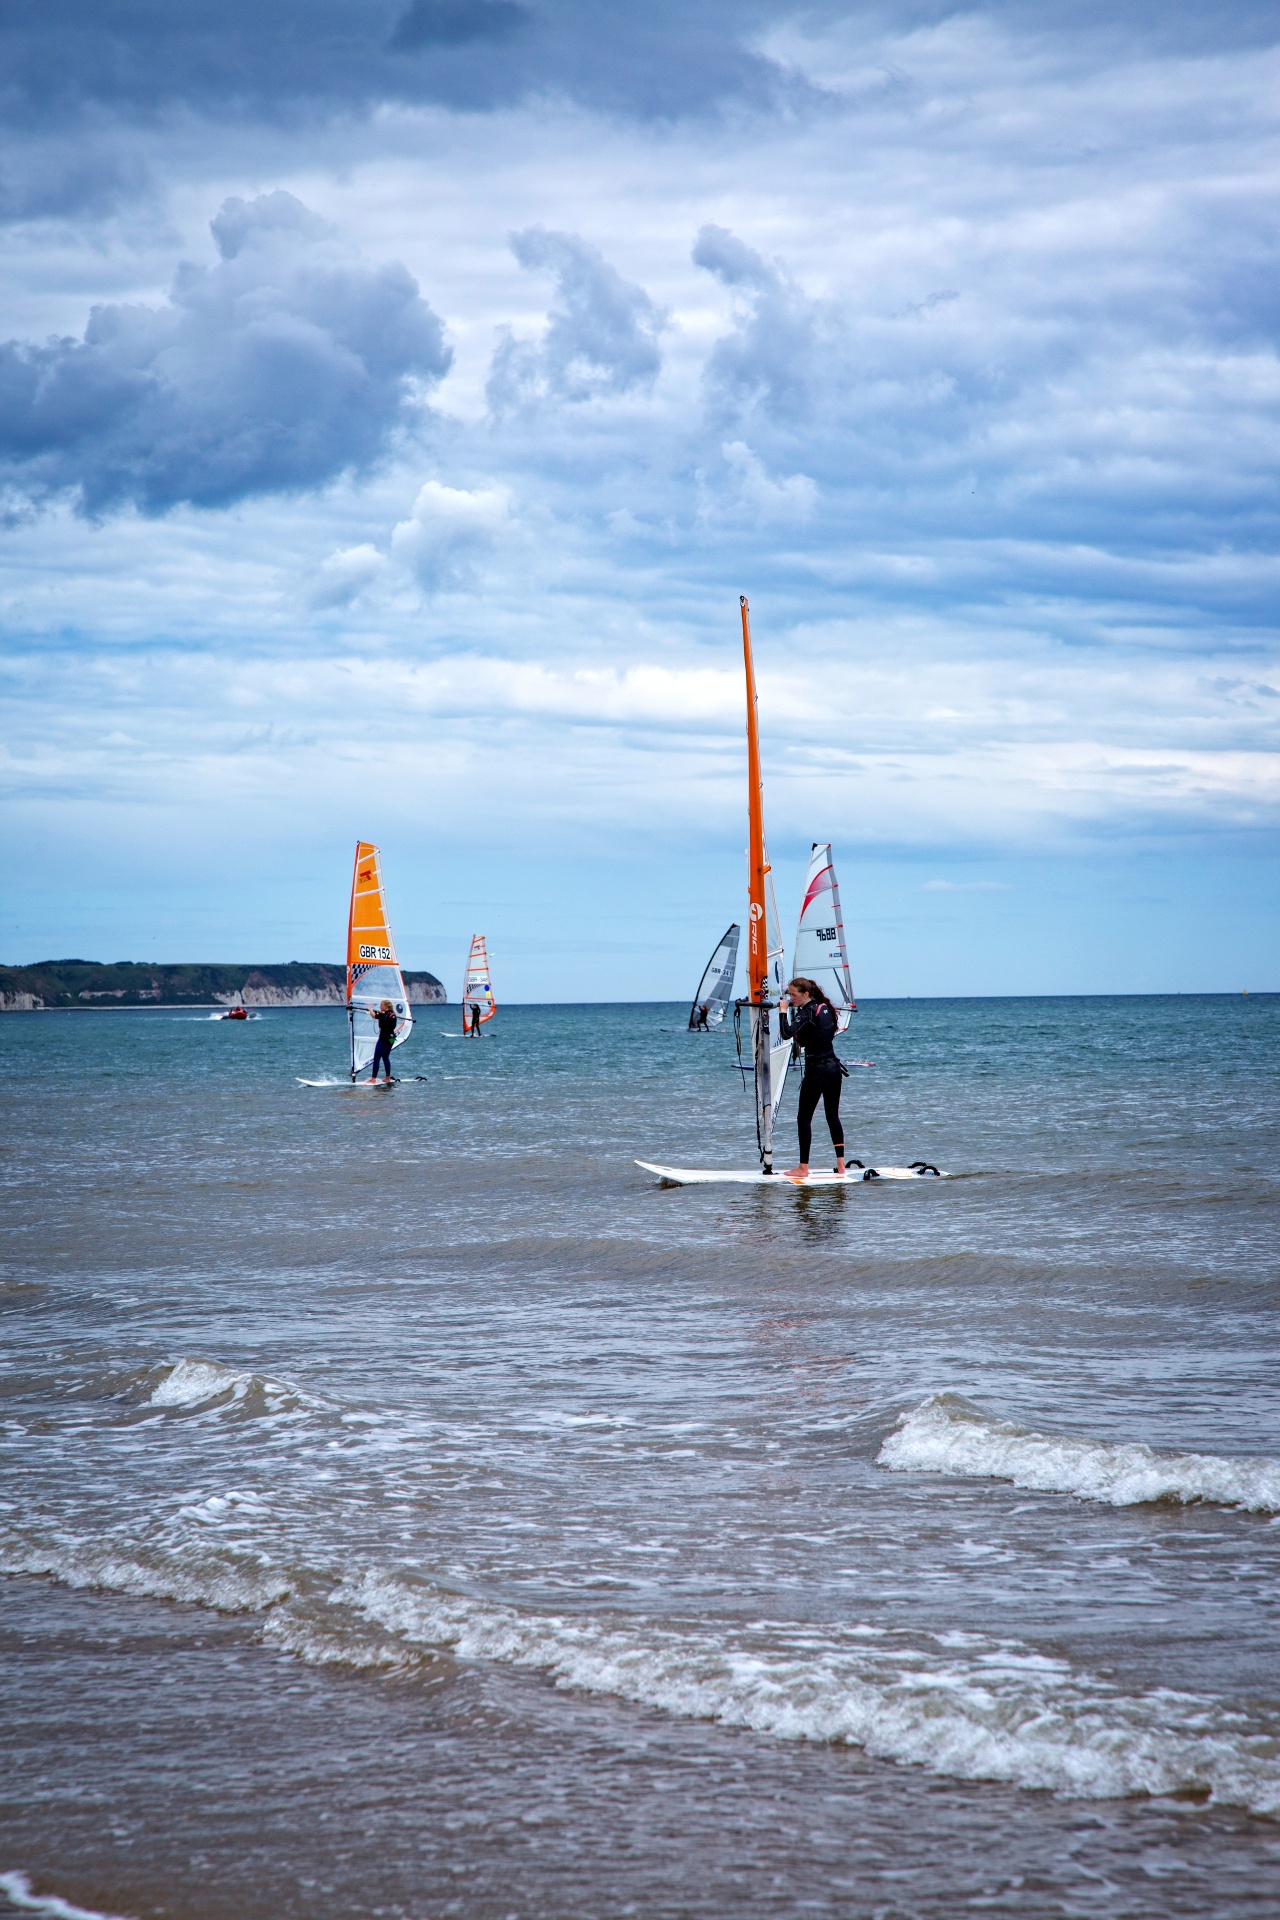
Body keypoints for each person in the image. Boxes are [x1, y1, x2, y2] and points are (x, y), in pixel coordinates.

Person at [781, 977, 846, 1180]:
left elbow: (786, 1033)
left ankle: (803, 1167)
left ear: (806, 994)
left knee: (804, 1118)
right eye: (789, 995)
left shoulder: (807, 1011)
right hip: (834, 1068)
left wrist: (783, 1011)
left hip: (817, 1071)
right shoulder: (824, 1009)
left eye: (794, 995)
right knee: (832, 1116)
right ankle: (841, 1165)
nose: (791, 998)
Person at [368, 999, 398, 1081]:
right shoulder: (392, 1014)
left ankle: (373, 1079)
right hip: (392, 1038)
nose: (380, 1006)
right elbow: (390, 1024)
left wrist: (370, 1010)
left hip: (384, 1038)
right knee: (385, 1057)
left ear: (386, 1006)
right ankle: (387, 1077)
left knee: (376, 1058)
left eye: (381, 1005)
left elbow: (374, 1016)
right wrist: (380, 1014)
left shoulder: (384, 1015)